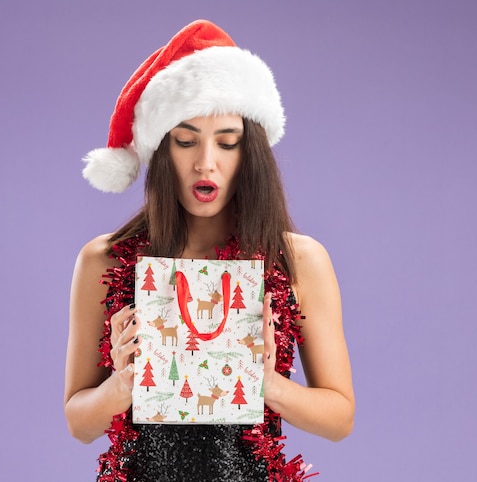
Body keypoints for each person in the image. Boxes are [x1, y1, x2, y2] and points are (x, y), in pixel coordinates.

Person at [64, 19, 354, 481]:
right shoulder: (104, 260)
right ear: (161, 150)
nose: (205, 162)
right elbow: (79, 422)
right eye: (185, 140)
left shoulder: (298, 260)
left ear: (249, 152)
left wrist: (266, 384)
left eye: (227, 141)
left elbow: (340, 417)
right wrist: (122, 385)